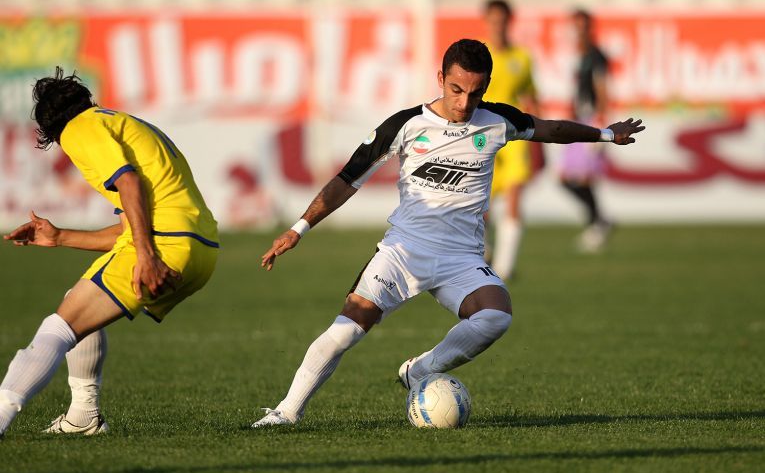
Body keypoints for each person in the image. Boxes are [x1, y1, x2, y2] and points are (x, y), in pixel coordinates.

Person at [251, 39, 644, 427]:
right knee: (345, 331)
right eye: (456, 89)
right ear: (440, 78)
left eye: (475, 93)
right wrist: (299, 228)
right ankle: (286, 412)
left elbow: (551, 128)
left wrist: (606, 135)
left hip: (461, 258)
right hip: (404, 252)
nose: (464, 102)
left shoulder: (497, 121)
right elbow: (347, 179)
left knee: (496, 316)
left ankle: (421, 370)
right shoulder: (406, 125)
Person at [0, 68, 219, 437]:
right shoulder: (124, 123)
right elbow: (127, 229)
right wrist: (60, 237)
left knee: (58, 327)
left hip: (164, 243)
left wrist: (146, 256)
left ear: (51, 130)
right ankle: (83, 416)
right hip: (200, 249)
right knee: (78, 304)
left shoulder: (79, 129)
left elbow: (128, 182)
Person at [482, 0, 542, 280]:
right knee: (481, 205)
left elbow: (531, 98)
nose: (498, 25)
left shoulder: (522, 57)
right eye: (493, 20)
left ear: (509, 21)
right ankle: (483, 254)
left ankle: (505, 267)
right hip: (482, 137)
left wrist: (540, 139)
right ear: (487, 21)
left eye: (502, 20)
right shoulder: (479, 56)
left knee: (515, 195)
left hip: (514, 137)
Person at [560, 8, 612, 252]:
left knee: (583, 177)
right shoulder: (580, 56)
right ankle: (599, 219)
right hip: (579, 118)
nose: (579, 31)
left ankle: (596, 223)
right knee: (566, 178)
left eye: (582, 26)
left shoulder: (596, 56)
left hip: (591, 119)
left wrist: (601, 121)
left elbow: (602, 88)